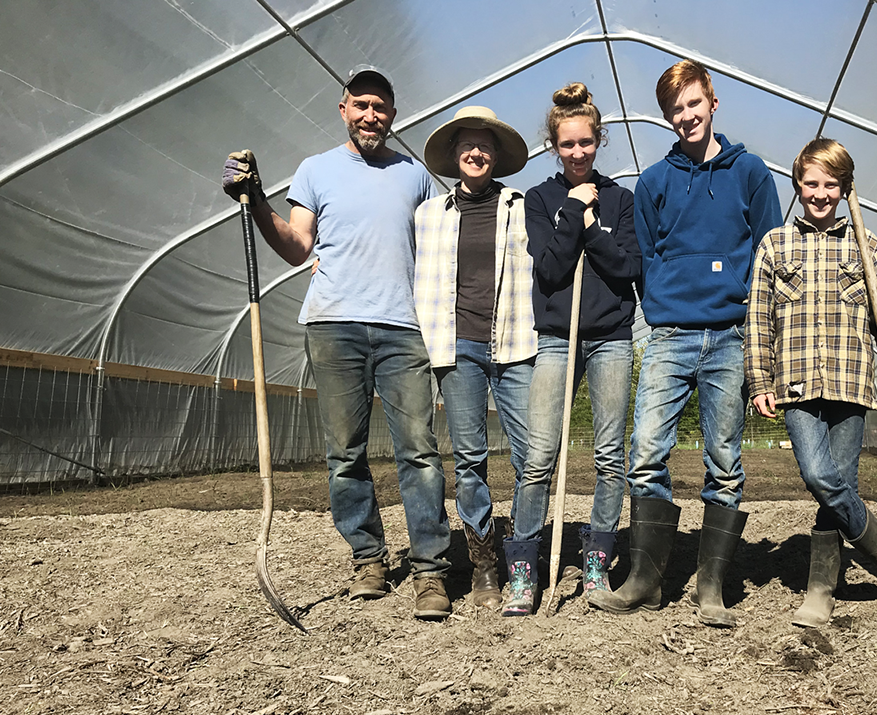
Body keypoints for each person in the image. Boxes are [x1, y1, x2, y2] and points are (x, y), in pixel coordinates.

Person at [220, 65, 453, 619]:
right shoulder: (315, 170)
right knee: (344, 454)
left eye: (382, 108)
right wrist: (255, 199)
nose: (372, 115)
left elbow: (440, 248)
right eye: (362, 105)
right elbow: (298, 246)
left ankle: (430, 571)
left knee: (418, 451)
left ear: (393, 117)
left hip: (403, 326)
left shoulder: (415, 175)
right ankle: (369, 559)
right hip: (333, 324)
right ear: (344, 108)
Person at [589, 60, 782, 628]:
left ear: (713, 102)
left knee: (725, 462)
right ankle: (645, 581)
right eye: (676, 109)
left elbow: (769, 253)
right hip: (671, 336)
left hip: (728, 336)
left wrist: (753, 328)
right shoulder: (653, 182)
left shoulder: (749, 172)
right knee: (645, 454)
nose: (686, 116)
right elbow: (646, 258)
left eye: (694, 104)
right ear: (666, 116)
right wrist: (668, 306)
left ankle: (712, 587)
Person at [745, 137, 877, 627]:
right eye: (810, 183)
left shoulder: (866, 246)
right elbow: (758, 319)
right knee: (819, 476)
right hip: (797, 383)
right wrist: (760, 379)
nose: (819, 194)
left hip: (851, 381)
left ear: (845, 189)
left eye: (831, 184)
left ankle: (822, 586)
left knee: (839, 485)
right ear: (797, 184)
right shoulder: (776, 245)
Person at [502, 83, 641, 616]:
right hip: (557, 338)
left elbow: (628, 268)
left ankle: (596, 564)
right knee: (538, 457)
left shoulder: (622, 200)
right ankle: (523, 570)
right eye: (567, 145)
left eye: (586, 142)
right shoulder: (538, 199)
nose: (578, 153)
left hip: (609, 337)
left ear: (599, 140)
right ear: (554, 146)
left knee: (610, 457)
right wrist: (570, 212)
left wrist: (589, 223)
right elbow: (550, 267)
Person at [413, 106, 536, 611]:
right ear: (455, 155)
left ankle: (524, 552)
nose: (476, 152)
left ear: (497, 156)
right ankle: (485, 564)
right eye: (467, 144)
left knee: (534, 455)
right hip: (455, 345)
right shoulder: (428, 216)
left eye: (485, 145)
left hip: (514, 341)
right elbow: (396, 263)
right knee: (470, 460)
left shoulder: (521, 207)